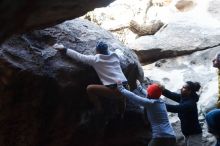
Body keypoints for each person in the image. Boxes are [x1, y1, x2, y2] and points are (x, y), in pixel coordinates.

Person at [53, 41, 129, 113]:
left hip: (115, 90)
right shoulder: (115, 56)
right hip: (126, 86)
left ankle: (98, 109)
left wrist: (64, 49)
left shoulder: (95, 59)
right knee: (122, 95)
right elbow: (120, 53)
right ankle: (122, 111)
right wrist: (117, 48)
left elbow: (78, 56)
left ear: (97, 51)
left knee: (90, 89)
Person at [117, 82, 176, 146]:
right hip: (172, 136)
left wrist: (121, 88)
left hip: (160, 136)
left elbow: (134, 97)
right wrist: (140, 88)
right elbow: (151, 93)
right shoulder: (160, 101)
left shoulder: (150, 103)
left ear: (150, 95)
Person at [162, 81, 202, 146]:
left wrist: (158, 104)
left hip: (194, 135)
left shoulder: (190, 103)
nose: (181, 89)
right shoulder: (185, 98)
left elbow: (174, 108)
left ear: (189, 91)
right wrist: (160, 89)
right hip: (187, 134)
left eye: (183, 87)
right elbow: (171, 94)